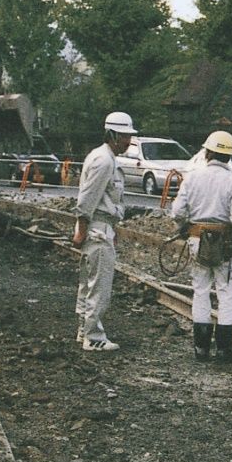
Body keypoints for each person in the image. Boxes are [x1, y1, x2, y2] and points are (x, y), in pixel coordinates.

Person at [169, 130, 232, 362]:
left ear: (207, 152)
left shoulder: (193, 177)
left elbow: (177, 212)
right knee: (226, 292)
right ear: (229, 157)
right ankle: (224, 350)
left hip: (197, 240)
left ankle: (201, 348)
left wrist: (183, 227)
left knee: (201, 290)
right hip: (223, 243)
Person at [72, 110, 137, 352]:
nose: (128, 142)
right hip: (98, 228)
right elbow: (88, 199)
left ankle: (84, 330)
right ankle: (94, 336)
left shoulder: (103, 158)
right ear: (111, 135)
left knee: (89, 283)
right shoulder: (104, 161)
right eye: (124, 136)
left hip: (102, 226)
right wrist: (81, 231)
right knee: (99, 285)